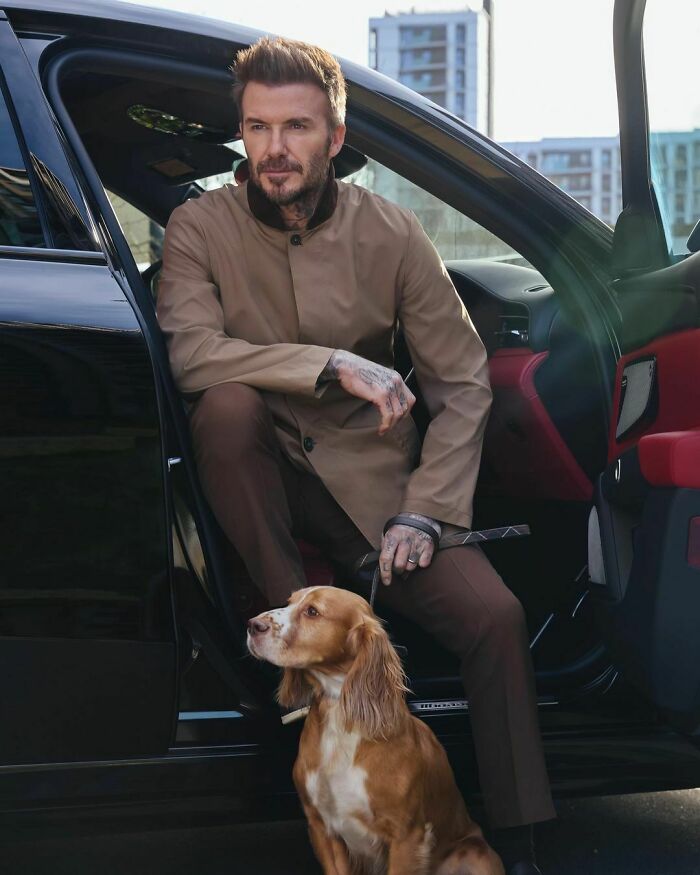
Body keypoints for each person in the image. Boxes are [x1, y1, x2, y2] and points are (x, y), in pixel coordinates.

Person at [156, 36, 555, 874]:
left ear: (336, 137)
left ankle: (519, 843)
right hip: (259, 479)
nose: (273, 148)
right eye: (257, 127)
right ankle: (288, 632)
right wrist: (330, 361)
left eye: (296, 127)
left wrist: (427, 511)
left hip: (378, 493)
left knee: (495, 618)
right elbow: (192, 354)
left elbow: (463, 383)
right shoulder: (199, 227)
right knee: (224, 406)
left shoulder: (393, 231)